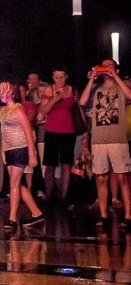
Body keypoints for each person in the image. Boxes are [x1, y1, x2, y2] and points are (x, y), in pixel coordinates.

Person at [79, 59, 131, 228]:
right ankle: (103, 215)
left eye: (110, 66)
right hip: (99, 140)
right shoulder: (96, 88)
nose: (106, 69)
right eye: (103, 66)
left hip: (118, 139)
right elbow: (82, 102)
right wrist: (91, 79)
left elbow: (130, 96)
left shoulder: (121, 86)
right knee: (101, 178)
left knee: (123, 178)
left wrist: (115, 76)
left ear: (117, 69)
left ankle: (128, 216)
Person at [0, 80, 45, 231]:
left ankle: (12, 218)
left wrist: (32, 154)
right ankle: (37, 213)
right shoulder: (4, 110)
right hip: (10, 149)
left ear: (12, 93)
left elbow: (28, 131)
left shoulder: (18, 110)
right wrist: (3, 150)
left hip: (20, 148)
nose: (0, 93)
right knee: (17, 184)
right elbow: (3, 132)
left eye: (4, 90)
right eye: (0, 90)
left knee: (14, 184)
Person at [39, 66, 77, 204]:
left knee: (66, 165)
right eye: (56, 77)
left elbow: (77, 108)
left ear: (66, 77)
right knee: (50, 165)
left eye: (61, 77)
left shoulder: (72, 90)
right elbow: (43, 111)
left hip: (68, 131)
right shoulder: (48, 89)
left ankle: (63, 198)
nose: (59, 80)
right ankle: (49, 196)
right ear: (53, 78)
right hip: (52, 131)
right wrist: (54, 100)